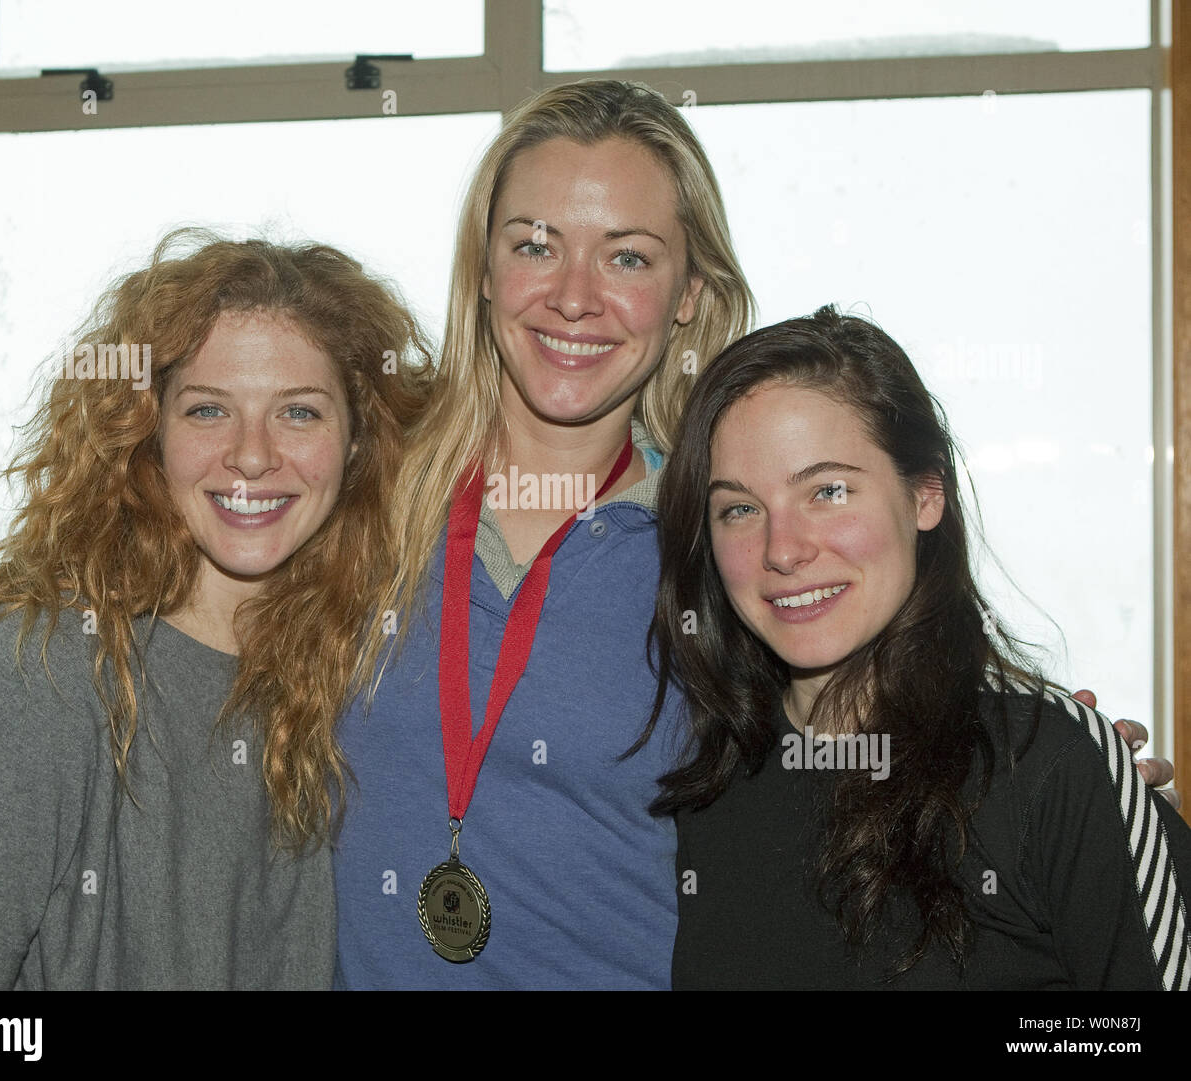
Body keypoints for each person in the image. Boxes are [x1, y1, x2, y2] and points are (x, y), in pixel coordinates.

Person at [332, 79, 1170, 990]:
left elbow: (874, 704)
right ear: (483, 268)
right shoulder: (356, 499)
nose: (574, 297)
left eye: (628, 258)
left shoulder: (714, 547)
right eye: (534, 244)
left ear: (690, 293)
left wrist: (1062, 779)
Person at [0, 230, 431, 989]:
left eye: (299, 413)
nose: (251, 454)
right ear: (149, 435)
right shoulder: (31, 677)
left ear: (357, 446)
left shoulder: (355, 673)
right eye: (208, 411)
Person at [650, 306, 1191, 990]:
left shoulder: (1050, 767)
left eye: (828, 490)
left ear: (925, 494)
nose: (782, 549)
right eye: (739, 508)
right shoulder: (710, 792)